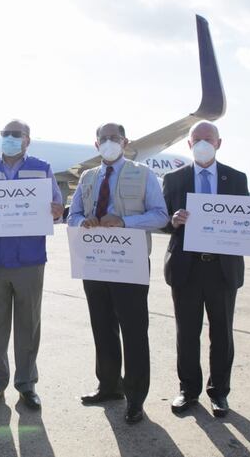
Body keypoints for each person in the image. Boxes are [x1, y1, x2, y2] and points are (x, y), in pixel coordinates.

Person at [162, 121, 250, 417]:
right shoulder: (173, 178)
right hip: (186, 268)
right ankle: (188, 390)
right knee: (187, 334)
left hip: (222, 269)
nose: (203, 143)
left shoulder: (236, 178)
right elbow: (161, 219)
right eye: (197, 140)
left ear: (219, 143)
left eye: (208, 138)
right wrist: (173, 220)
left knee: (222, 334)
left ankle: (219, 392)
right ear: (189, 145)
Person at [67, 122, 169, 424]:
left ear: (125, 142)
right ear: (95, 144)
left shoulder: (144, 173)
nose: (109, 142)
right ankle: (108, 386)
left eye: (114, 138)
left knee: (134, 331)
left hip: (130, 262)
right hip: (95, 261)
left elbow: (161, 215)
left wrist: (124, 221)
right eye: (103, 138)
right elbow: (73, 214)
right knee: (102, 326)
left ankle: (135, 397)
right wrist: (81, 222)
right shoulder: (87, 177)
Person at [0, 119, 64, 411]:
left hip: (30, 258)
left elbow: (56, 207)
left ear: (27, 140)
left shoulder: (42, 167)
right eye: (5, 134)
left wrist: (56, 210)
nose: (9, 138)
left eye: (15, 134)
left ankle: (26, 384)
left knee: (28, 325)